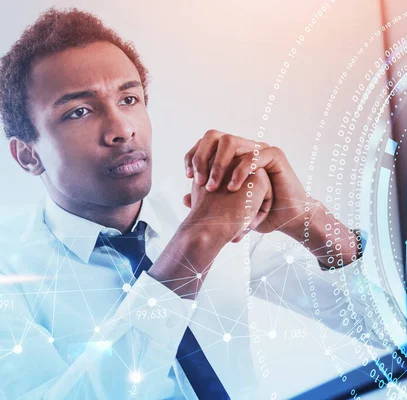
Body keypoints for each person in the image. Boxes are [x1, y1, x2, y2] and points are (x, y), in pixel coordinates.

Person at [0, 7, 385, 400]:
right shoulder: (10, 278)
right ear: (28, 156)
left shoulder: (211, 210)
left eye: (129, 98)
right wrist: (199, 241)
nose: (121, 129)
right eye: (79, 111)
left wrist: (310, 217)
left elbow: (393, 328)